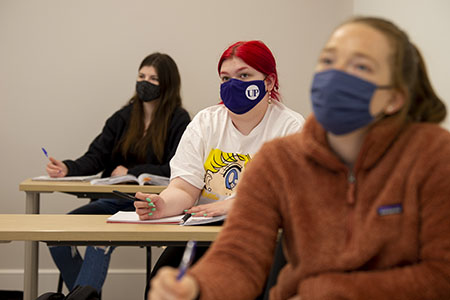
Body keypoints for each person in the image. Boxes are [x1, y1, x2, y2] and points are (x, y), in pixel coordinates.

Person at [147, 16, 450, 300]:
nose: (336, 75)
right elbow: (241, 257)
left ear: (395, 97)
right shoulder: (280, 159)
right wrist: (197, 286)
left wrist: (326, 292)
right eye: (329, 61)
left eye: (360, 67)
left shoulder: (433, 155)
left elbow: (441, 274)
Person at [134, 40, 305, 296]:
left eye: (244, 75)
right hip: (204, 234)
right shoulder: (205, 122)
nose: (233, 85)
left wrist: (234, 205)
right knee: (159, 285)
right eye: (225, 78)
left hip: (260, 239)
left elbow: (289, 197)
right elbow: (183, 187)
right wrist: (162, 204)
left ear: (268, 82)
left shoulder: (291, 128)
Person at [45, 52, 191, 293]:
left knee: (98, 240)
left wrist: (133, 171)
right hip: (111, 200)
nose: (145, 82)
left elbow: (176, 165)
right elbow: (96, 155)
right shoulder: (122, 117)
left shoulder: (179, 119)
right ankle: (84, 296)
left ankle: (82, 297)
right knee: (57, 235)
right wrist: (67, 168)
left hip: (148, 205)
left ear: (168, 83)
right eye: (141, 76)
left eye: (153, 79)